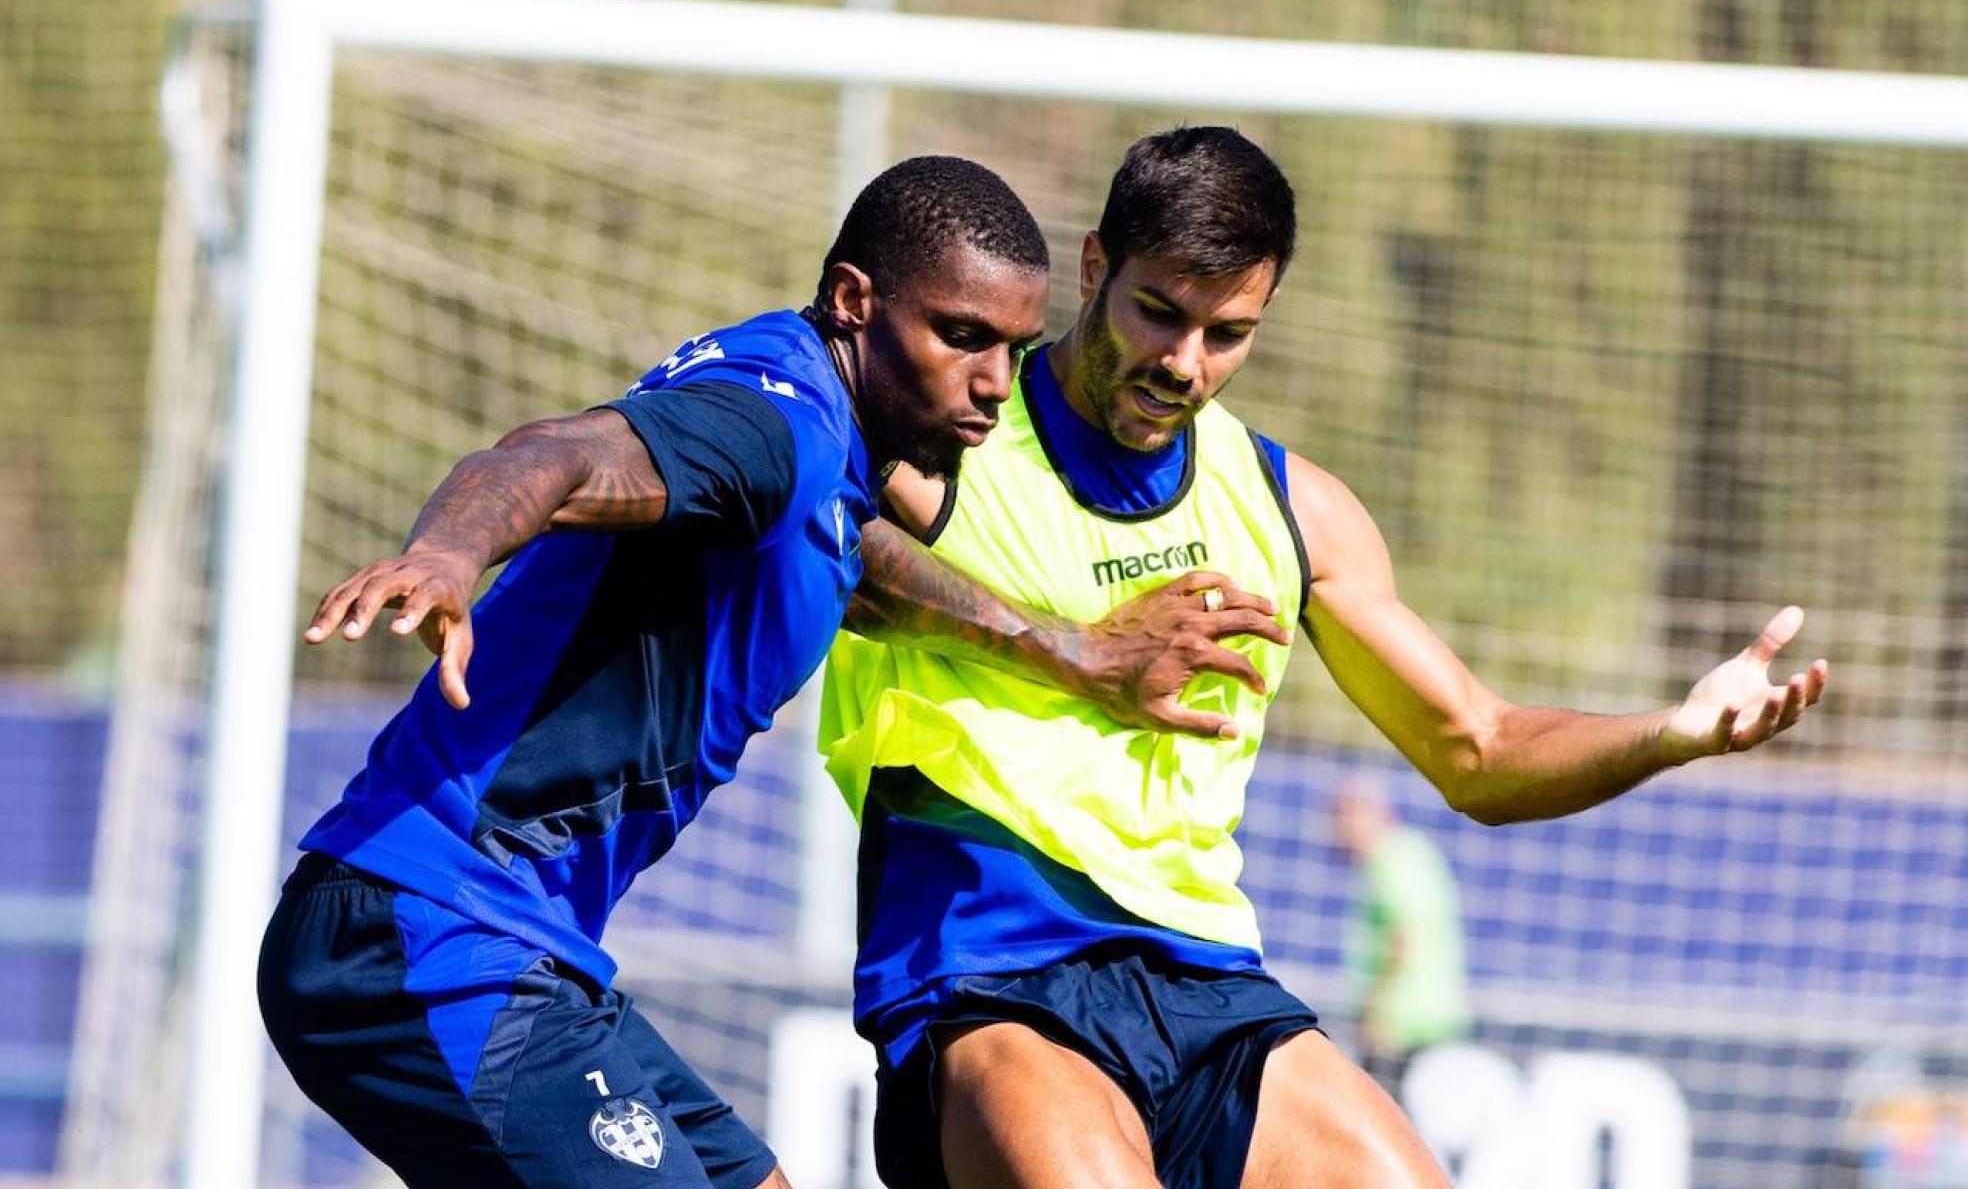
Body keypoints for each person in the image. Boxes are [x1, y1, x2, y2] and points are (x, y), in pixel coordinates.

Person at [822, 126, 1830, 1189]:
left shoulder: (1287, 507)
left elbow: (1477, 749)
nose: (1183, 364)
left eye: (1228, 333)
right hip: (992, 973)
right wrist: (1079, 652)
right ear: (1091, 268)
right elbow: (813, 539)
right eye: (1158, 312)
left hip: (1209, 984)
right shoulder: (946, 435)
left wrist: (1671, 733)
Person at [257, 155, 1246, 1189]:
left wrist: (1076, 652)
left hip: (523, 949)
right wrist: (449, 555)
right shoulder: (764, 423)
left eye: (1013, 348)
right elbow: (555, 455)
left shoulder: (817, 444)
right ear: (857, 301)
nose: (995, 383)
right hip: (419, 929)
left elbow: (857, 559)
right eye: (960, 336)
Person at [1333, 775, 1473, 1095]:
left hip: (1405, 1025)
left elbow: (1402, 940)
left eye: (1342, 818)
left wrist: (1378, 1014)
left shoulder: (1390, 859)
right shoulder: (1413, 853)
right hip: (1432, 1018)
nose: (1336, 833)